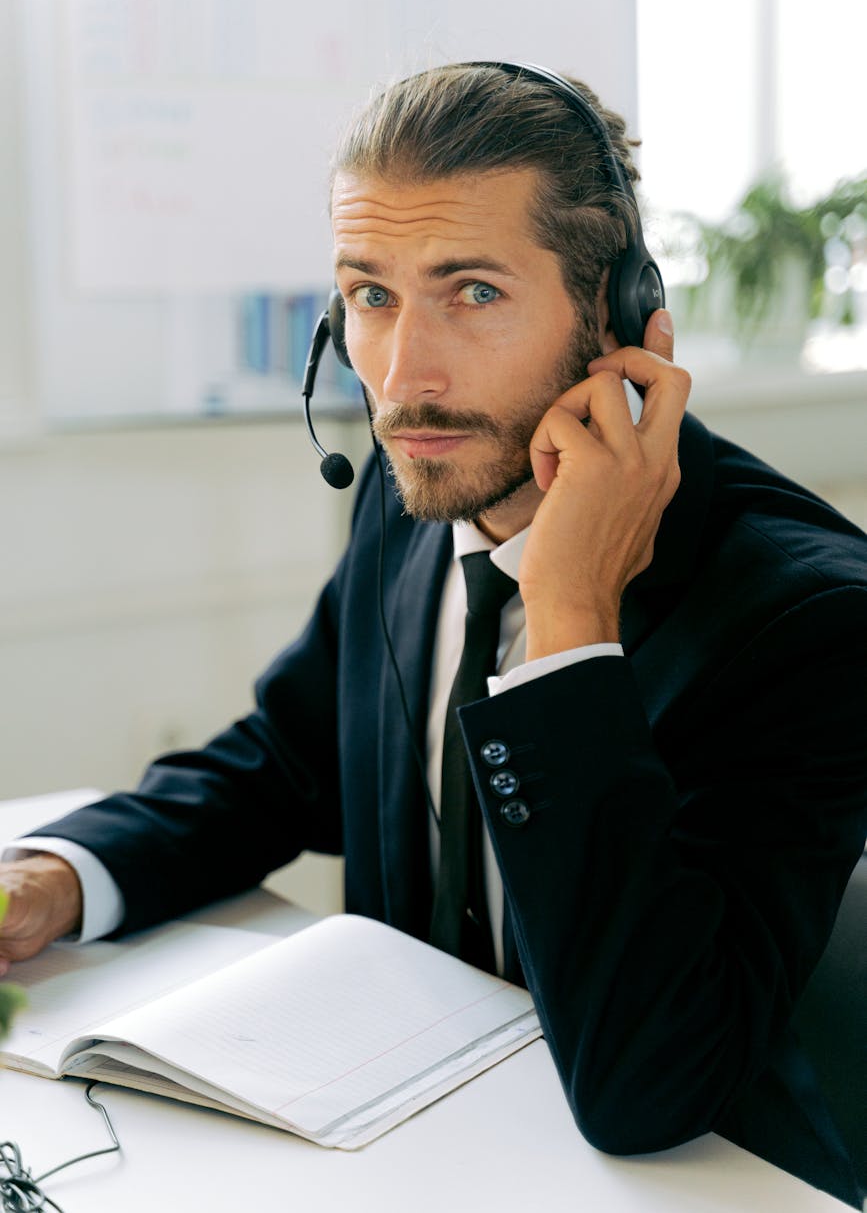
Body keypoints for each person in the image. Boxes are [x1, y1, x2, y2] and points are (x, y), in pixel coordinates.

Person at [2, 62, 867, 1206]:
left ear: (619, 317)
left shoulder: (809, 617)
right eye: (370, 295)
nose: (404, 378)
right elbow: (289, 758)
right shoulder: (421, 487)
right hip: (403, 1156)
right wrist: (58, 876)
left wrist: (570, 626)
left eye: (472, 293)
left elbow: (649, 1090)